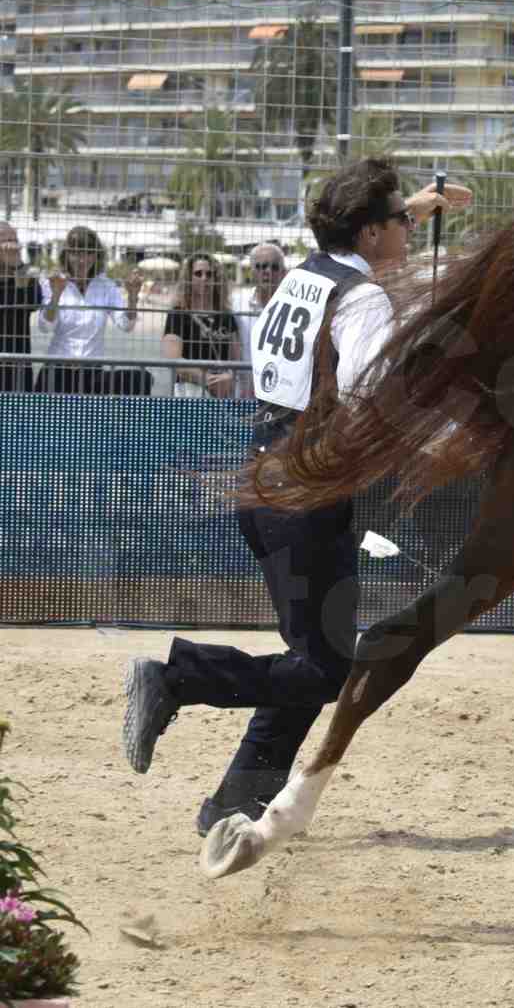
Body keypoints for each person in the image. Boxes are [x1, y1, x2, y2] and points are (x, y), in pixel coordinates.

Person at [120, 157, 471, 835]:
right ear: (370, 234)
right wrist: (445, 436)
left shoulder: (308, 275)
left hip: (268, 483)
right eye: (397, 219)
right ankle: (176, 678)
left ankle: (235, 803)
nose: (405, 227)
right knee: (324, 669)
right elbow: (374, 397)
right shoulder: (363, 297)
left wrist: (420, 205)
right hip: (306, 497)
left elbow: (364, 257)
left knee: (311, 657)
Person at [38, 225, 142, 394]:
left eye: (87, 253)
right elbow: (45, 327)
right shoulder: (53, 282)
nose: (81, 260)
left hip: (92, 374)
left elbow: (126, 325)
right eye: (76, 253)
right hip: (56, 372)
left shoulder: (106, 285)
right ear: (66, 255)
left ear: (96, 256)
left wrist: (132, 297)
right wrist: (56, 294)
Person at [162, 252, 239, 398]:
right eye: (198, 273)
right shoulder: (178, 314)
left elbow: (236, 359)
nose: (204, 278)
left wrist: (229, 376)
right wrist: (207, 378)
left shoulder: (226, 316)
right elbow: (173, 358)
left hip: (221, 394)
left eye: (209, 274)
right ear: (189, 278)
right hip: (189, 392)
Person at [231, 243, 288, 400]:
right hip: (242, 392)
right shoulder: (236, 303)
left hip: (281, 393)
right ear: (252, 272)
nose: (267, 272)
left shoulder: (294, 308)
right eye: (261, 266)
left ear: (283, 273)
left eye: (274, 267)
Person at [0, 223, 43, 393]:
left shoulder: (24, 275)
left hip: (17, 367)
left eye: (14, 240)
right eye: (5, 240)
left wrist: (17, 265)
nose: (12, 246)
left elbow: (32, 301)